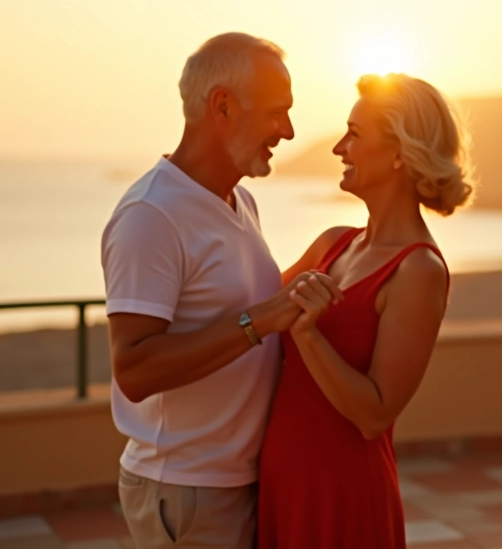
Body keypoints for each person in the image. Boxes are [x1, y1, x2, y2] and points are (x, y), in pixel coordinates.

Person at [100, 33, 342, 549]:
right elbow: (135, 368)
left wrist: (325, 257)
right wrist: (260, 319)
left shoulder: (241, 201)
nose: (289, 130)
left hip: (237, 482)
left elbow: (238, 308)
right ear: (223, 105)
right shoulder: (151, 215)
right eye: (278, 112)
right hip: (187, 491)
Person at [257, 73, 475, 548]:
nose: (339, 148)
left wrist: (309, 336)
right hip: (282, 486)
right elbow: (251, 314)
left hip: (344, 497)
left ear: (400, 153)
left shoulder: (419, 270)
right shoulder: (332, 244)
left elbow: (375, 414)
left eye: (354, 134)